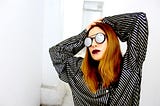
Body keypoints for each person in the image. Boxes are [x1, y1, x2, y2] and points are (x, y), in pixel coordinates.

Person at [49, 12, 148, 106]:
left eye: (99, 37)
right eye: (89, 40)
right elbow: (56, 52)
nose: (94, 44)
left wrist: (106, 22)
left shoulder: (130, 67)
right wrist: (84, 34)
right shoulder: (78, 71)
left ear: (111, 40)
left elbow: (139, 20)